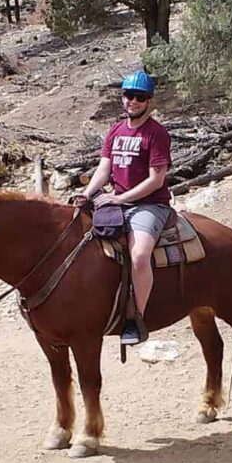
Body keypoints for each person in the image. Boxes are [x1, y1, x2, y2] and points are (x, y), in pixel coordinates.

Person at [77, 70, 173, 346]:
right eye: (128, 95)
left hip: (150, 205)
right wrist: (87, 194)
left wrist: (121, 199)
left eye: (139, 97)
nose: (132, 101)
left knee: (140, 256)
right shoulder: (116, 130)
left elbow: (157, 180)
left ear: (148, 101)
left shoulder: (156, 134)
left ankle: (136, 317)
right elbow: (104, 168)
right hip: (116, 198)